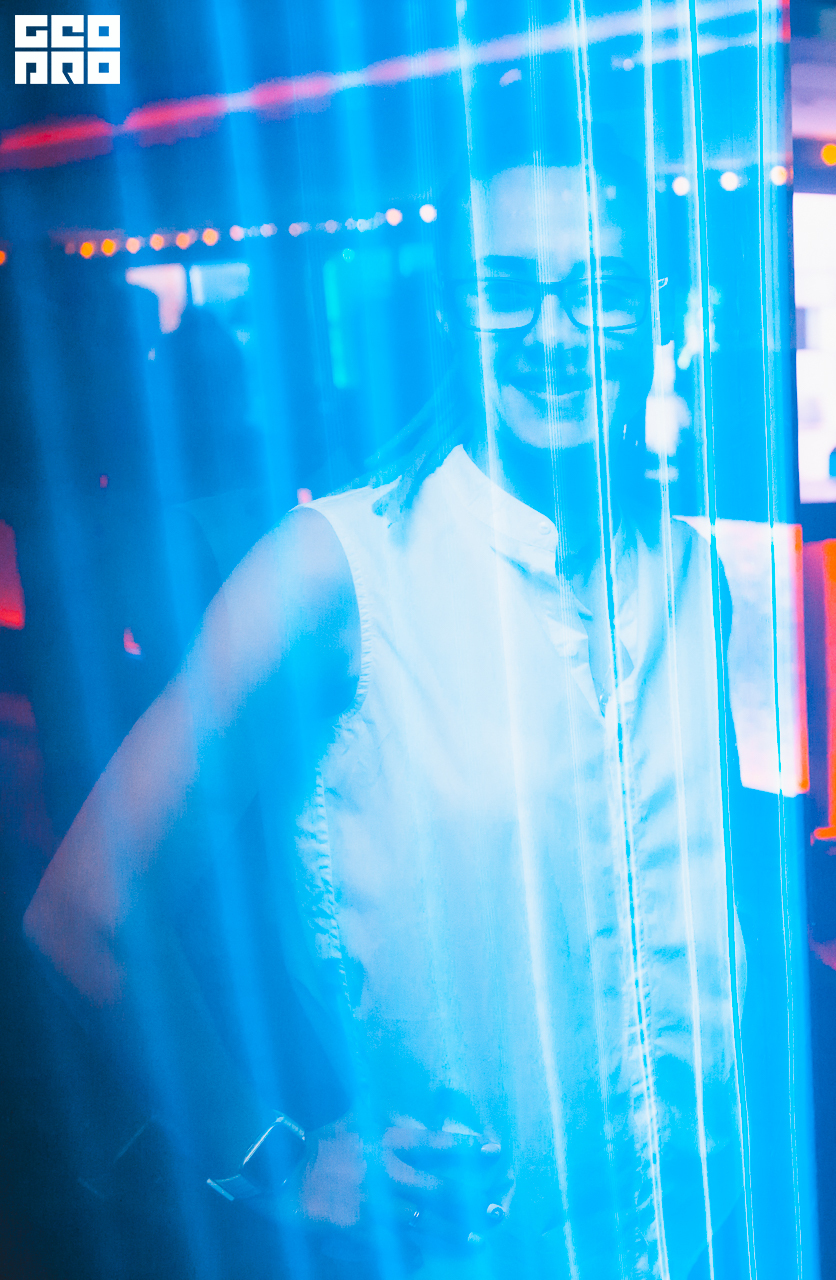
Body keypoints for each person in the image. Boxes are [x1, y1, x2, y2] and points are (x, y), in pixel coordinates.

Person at [22, 102, 746, 1277]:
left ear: (655, 308)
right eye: (506, 288)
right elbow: (83, 910)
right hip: (465, 1247)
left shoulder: (698, 575)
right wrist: (275, 1156)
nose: (553, 331)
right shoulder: (337, 572)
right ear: (454, 309)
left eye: (599, 288)